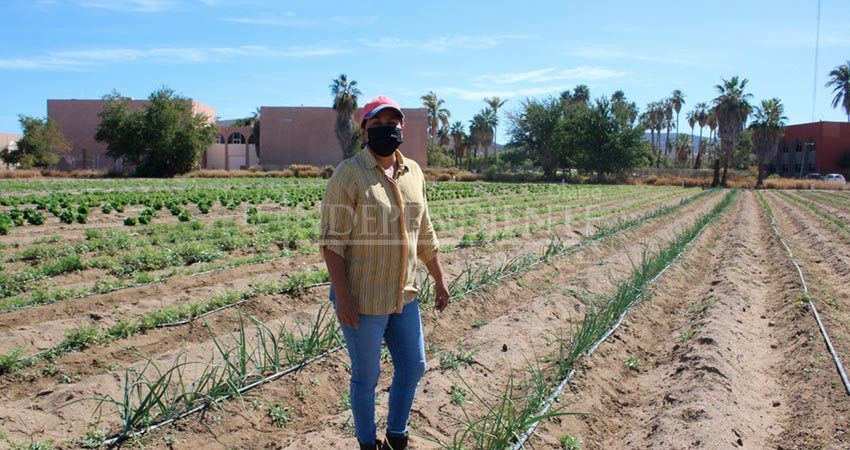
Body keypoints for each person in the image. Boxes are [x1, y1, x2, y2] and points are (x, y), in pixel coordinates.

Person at [319, 95, 450, 450]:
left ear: (402, 127)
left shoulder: (414, 173)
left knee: (414, 366)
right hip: (362, 298)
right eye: (376, 125)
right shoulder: (349, 174)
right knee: (367, 377)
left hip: (404, 294)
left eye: (391, 123)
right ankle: (366, 442)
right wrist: (343, 297)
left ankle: (396, 434)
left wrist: (439, 278)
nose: (385, 130)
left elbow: (425, 233)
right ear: (363, 130)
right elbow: (332, 243)